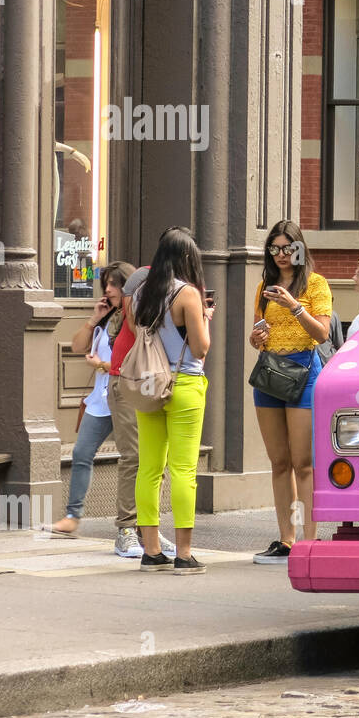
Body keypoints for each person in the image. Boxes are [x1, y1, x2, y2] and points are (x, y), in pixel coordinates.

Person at [128, 227, 213, 574]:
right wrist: (205, 319)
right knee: (183, 470)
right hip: (185, 385)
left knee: (148, 468)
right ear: (187, 258)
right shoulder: (188, 294)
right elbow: (200, 347)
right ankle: (184, 553)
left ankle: (150, 550)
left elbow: (141, 337)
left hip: (149, 384)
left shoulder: (138, 295)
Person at [250, 220, 331, 565]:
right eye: (274, 248)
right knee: (279, 462)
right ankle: (287, 539)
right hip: (271, 373)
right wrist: (257, 339)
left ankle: (308, 541)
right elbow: (258, 330)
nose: (281, 255)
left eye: (287, 248)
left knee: (304, 464)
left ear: (299, 249)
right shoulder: (263, 286)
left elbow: (323, 334)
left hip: (303, 373)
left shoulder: (316, 285)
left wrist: (294, 306)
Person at [50, 263, 138, 537]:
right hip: (100, 401)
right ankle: (72, 516)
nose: (109, 289)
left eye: (115, 284)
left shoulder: (135, 318)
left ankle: (134, 522)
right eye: (106, 285)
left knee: (132, 458)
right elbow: (77, 347)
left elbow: (135, 359)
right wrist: (93, 318)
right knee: (81, 453)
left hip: (126, 398)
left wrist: (102, 365)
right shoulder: (106, 318)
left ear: (128, 286)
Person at [103, 265, 176, 558]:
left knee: (156, 460)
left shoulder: (183, 287)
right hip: (129, 378)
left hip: (156, 379)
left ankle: (150, 532)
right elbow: (135, 325)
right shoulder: (145, 278)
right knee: (134, 456)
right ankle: (125, 530)